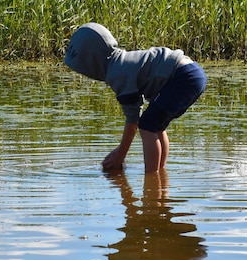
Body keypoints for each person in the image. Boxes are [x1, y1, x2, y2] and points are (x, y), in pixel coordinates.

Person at [64, 22, 207, 173]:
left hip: (183, 77)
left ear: (92, 62)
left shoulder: (118, 73)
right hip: (192, 73)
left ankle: (151, 181)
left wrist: (120, 153)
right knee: (156, 125)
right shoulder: (121, 63)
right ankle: (160, 176)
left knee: (147, 126)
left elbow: (133, 121)